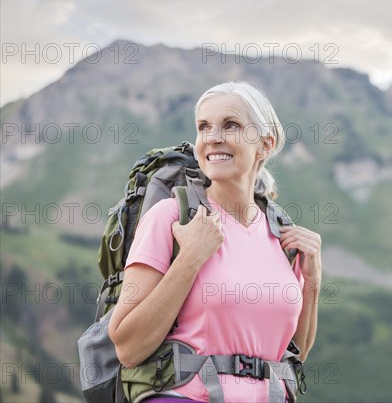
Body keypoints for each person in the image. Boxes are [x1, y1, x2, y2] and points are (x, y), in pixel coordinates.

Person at [108, 81, 322, 403]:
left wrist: (313, 280)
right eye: (204, 127)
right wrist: (190, 257)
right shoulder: (171, 217)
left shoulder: (282, 235)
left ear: (265, 144)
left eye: (231, 125)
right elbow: (128, 347)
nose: (213, 137)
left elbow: (295, 354)